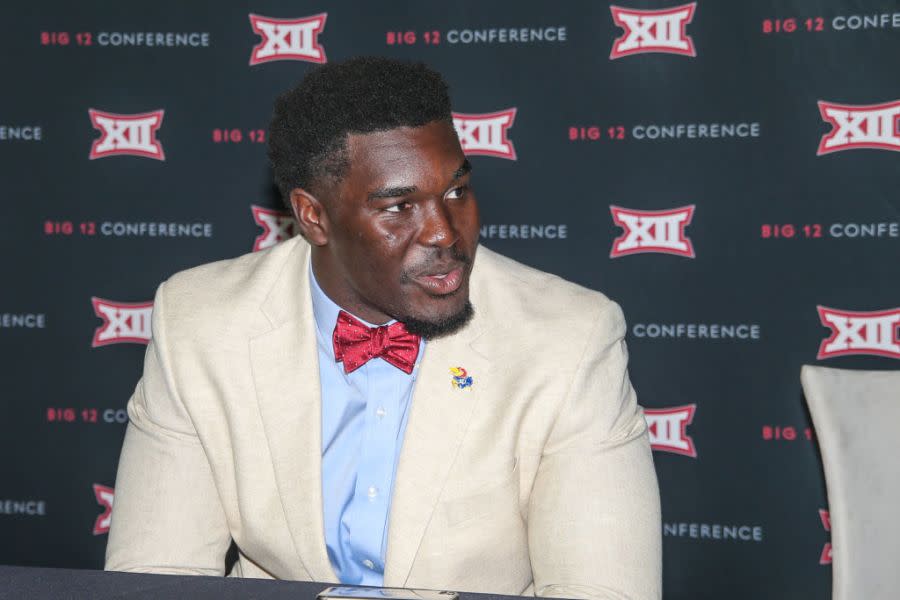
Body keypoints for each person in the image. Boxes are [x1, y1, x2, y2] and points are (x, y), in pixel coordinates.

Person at [105, 56, 661, 599]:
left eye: (456, 191)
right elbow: (154, 578)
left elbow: (605, 589)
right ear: (313, 216)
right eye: (399, 207)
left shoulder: (569, 337)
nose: (444, 233)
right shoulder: (200, 323)